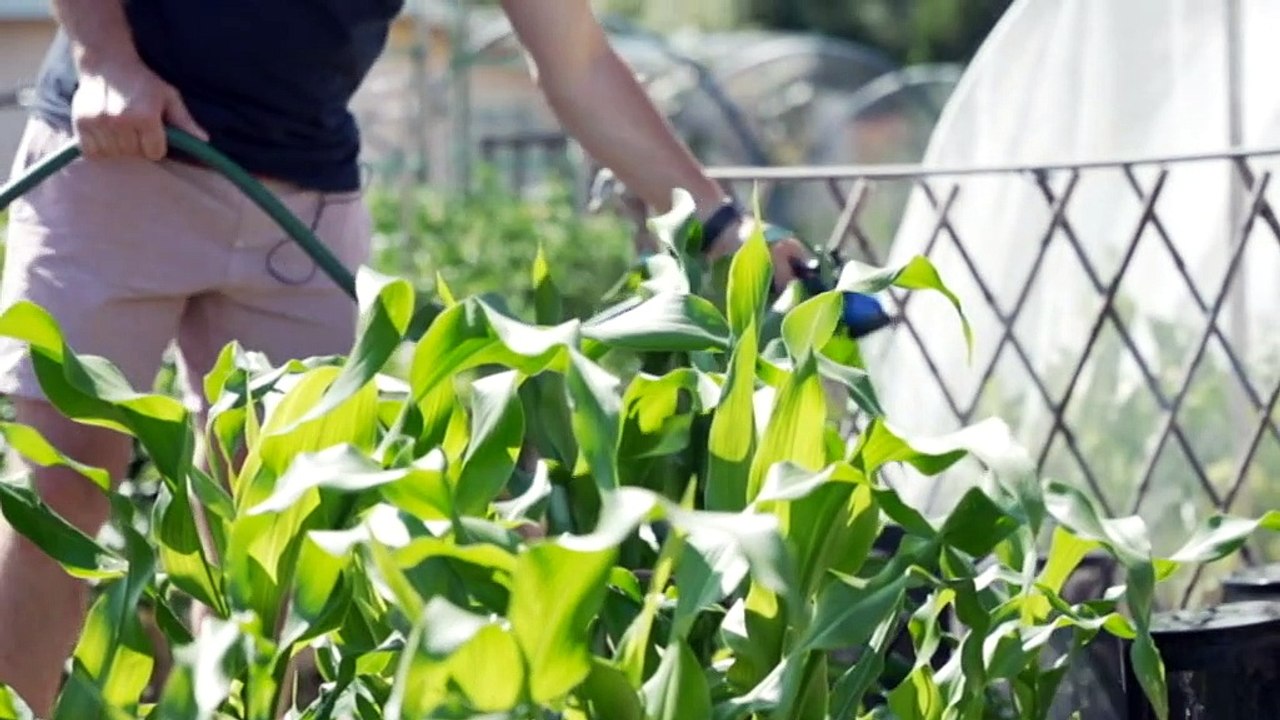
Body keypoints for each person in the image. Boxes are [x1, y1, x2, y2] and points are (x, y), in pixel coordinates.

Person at [0, 0, 813, 714]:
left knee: (291, 531)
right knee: (61, 497)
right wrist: (105, 59)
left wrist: (717, 222)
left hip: (303, 202)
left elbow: (577, 59)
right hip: (117, 158)